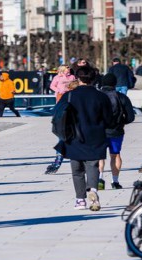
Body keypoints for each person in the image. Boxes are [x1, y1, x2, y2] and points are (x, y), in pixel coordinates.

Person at [53, 65, 116, 211]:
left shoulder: (69, 95)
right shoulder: (101, 96)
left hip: (74, 135)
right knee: (93, 165)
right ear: (94, 79)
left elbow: (56, 113)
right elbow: (109, 119)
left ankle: (80, 200)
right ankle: (93, 190)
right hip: (96, 135)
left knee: (77, 170)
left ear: (78, 78)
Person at [98, 73, 136, 190]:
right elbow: (130, 117)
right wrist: (122, 122)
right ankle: (115, 181)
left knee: (100, 156)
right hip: (116, 131)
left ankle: (100, 179)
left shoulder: (97, 96)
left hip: (99, 131)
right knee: (115, 155)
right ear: (115, 83)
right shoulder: (122, 97)